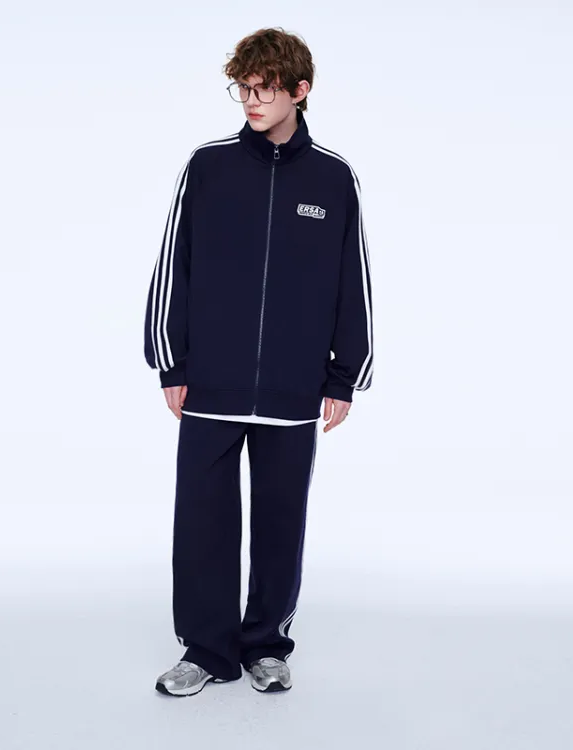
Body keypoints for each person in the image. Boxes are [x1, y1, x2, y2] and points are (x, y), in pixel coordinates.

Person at [144, 27, 374, 697]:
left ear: (300, 91)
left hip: (293, 385)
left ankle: (266, 645)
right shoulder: (208, 166)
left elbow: (352, 281)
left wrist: (345, 374)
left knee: (280, 522)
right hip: (210, 383)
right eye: (243, 88)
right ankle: (205, 650)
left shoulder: (333, 177)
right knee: (202, 523)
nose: (251, 100)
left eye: (265, 89)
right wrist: (171, 361)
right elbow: (173, 267)